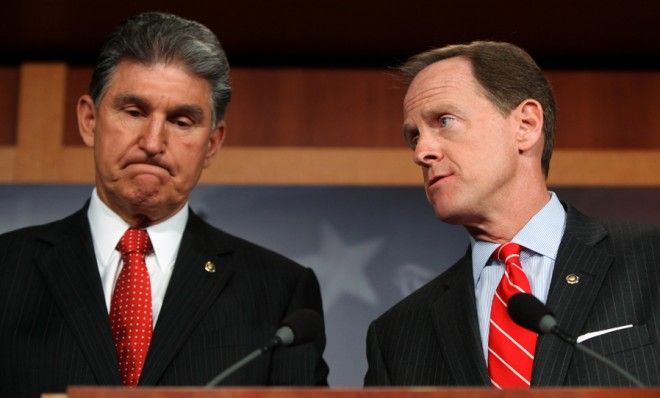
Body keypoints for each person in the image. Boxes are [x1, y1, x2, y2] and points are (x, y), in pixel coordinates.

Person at [0, 12, 328, 397]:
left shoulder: (279, 292)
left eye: (181, 121)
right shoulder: (7, 269)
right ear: (89, 120)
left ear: (212, 144)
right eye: (134, 112)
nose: (153, 142)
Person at [364, 41, 659, 387]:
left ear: (526, 125)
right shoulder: (397, 335)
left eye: (444, 121)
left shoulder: (651, 260)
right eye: (414, 137)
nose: (421, 152)